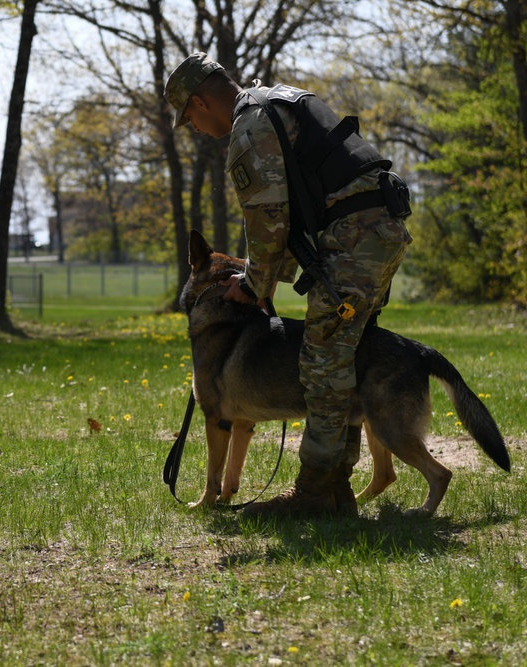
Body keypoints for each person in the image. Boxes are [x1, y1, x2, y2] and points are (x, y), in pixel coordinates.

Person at [164, 53, 413, 519]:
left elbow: (267, 219)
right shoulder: (275, 101)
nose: (194, 128)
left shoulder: (248, 128)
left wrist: (255, 284)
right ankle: (336, 488)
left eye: (190, 118)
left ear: (200, 101)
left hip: (354, 239)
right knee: (343, 359)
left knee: (322, 369)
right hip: (377, 231)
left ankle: (315, 496)